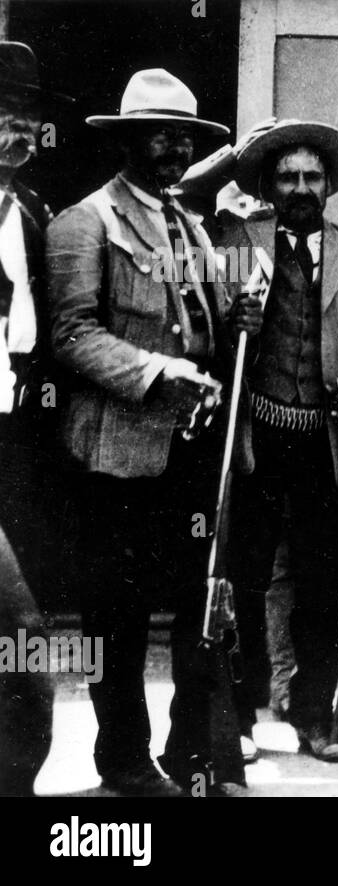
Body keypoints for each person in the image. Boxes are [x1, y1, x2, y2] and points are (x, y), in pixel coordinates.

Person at [47, 69, 261, 795]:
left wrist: (238, 314)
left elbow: (212, 315)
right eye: (160, 135)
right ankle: (127, 765)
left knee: (202, 602)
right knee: (120, 618)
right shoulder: (86, 222)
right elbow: (72, 334)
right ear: (130, 140)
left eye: (186, 138)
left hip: (192, 450)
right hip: (117, 450)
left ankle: (194, 754)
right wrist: (153, 371)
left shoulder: (194, 226)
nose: (174, 148)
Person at [220, 119, 338, 763]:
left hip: (328, 446)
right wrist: (231, 323)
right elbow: (207, 331)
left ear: (329, 185)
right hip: (255, 441)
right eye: (287, 177)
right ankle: (237, 721)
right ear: (269, 186)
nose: (300, 187)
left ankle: (314, 718)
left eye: (312, 177)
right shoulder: (239, 244)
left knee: (322, 581)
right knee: (242, 579)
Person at [0, 41, 62, 797]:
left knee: (20, 631)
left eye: (24, 121)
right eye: (0, 119)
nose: (15, 135)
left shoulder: (34, 215)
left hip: (15, 438)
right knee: (20, 631)